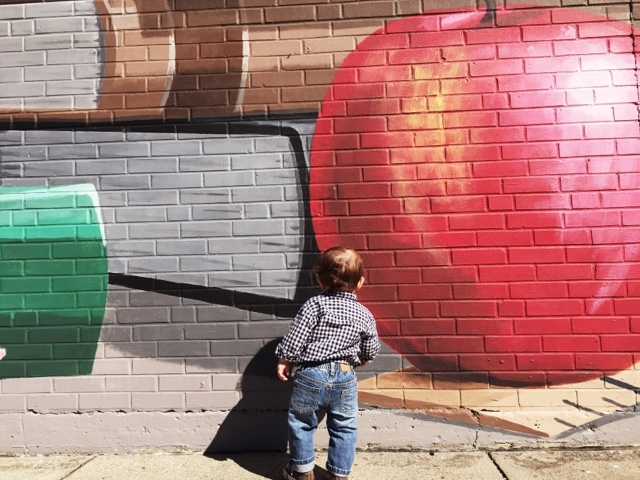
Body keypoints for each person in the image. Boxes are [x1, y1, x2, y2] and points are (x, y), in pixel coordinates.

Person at [275, 246, 381, 480]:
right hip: (345, 376)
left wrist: (285, 359)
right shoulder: (363, 313)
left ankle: (302, 472)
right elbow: (371, 346)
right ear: (360, 282)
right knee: (344, 427)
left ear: (320, 280)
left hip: (311, 373)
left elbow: (296, 337)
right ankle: (339, 475)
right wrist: (364, 357)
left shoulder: (314, 305)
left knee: (301, 423)